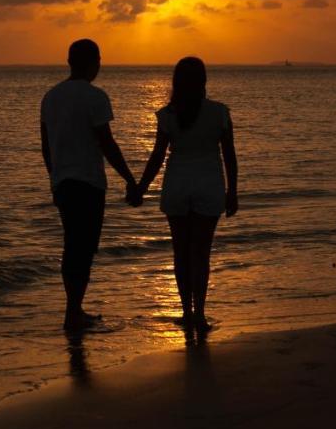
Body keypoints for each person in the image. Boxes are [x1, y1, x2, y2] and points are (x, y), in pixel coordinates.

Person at [40, 38, 140, 332]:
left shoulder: (51, 97)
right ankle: (73, 314)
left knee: (73, 245)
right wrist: (130, 179)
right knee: (82, 248)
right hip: (88, 184)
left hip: (63, 182)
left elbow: (46, 145)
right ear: (94, 62)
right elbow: (106, 142)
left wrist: (53, 178)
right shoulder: (95, 97)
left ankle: (74, 310)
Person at [135, 57, 239, 338]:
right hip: (209, 184)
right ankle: (200, 313)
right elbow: (229, 155)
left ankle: (186, 312)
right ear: (203, 81)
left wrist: (140, 188)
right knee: (201, 254)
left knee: (181, 253)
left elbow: (157, 157)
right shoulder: (219, 113)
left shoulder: (168, 115)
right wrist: (233, 191)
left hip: (178, 184)